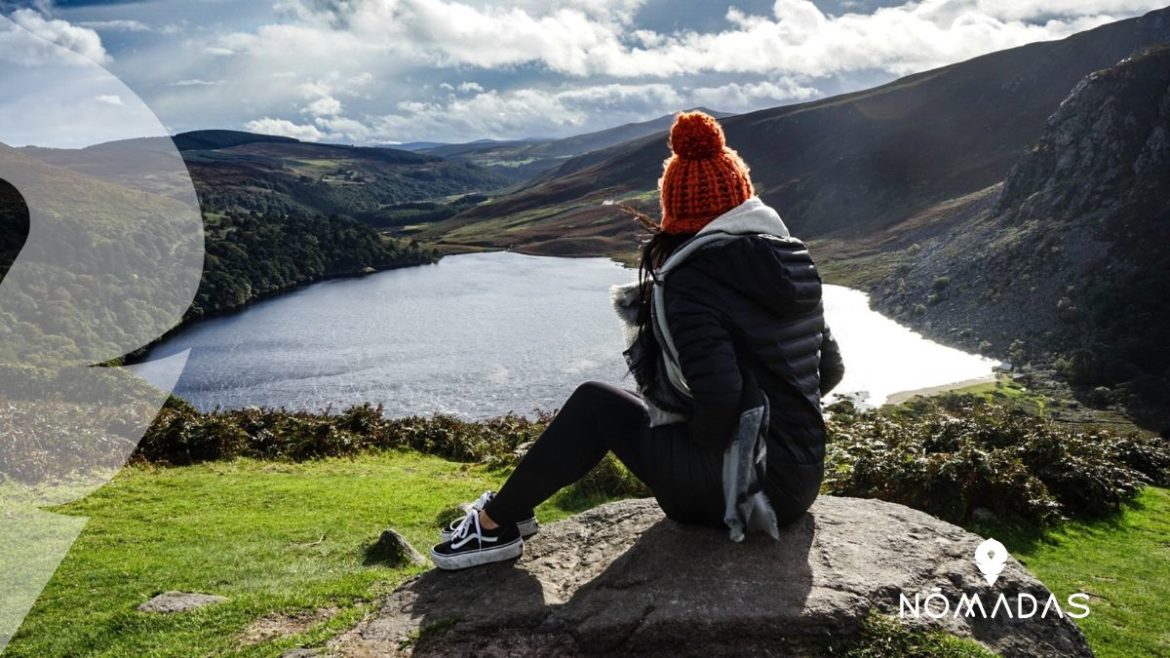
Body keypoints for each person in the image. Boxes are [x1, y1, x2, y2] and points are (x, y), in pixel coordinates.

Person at [430, 110, 845, 570]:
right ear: (742, 196)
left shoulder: (692, 279)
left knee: (596, 404)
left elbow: (722, 399)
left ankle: (493, 525)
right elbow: (829, 371)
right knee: (617, 407)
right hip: (801, 482)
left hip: (738, 492)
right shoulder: (794, 260)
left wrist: (696, 438)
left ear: (677, 210)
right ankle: (514, 509)